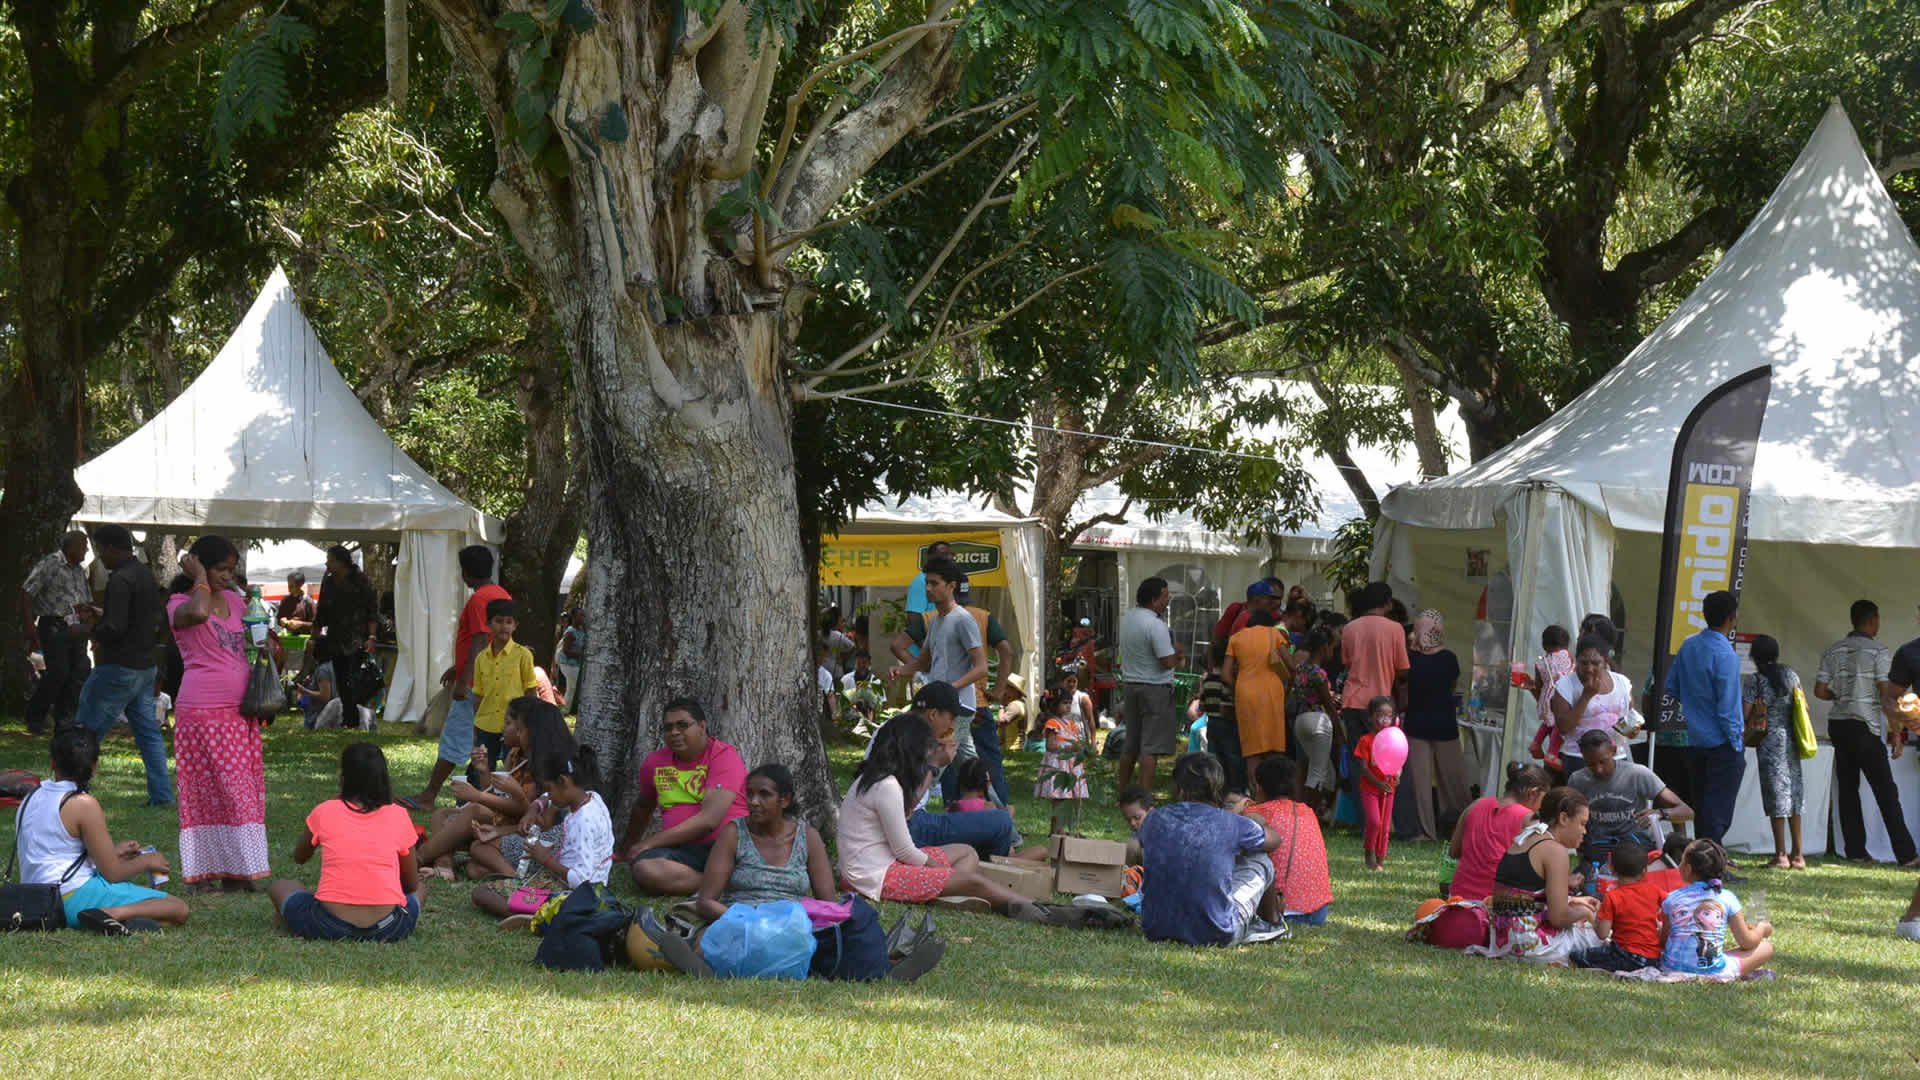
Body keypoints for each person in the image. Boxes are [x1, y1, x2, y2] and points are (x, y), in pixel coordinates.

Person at [835, 712, 1046, 919]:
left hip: (874, 867)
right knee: (972, 881)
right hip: (873, 878)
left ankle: (946, 894)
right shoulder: (886, 785)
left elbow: (905, 816)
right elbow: (905, 851)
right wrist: (942, 871)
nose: (926, 757)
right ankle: (1037, 909)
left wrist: (941, 872)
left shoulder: (876, 779)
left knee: (967, 852)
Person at [168, 535, 270, 892]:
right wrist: (199, 578)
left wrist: (265, 639)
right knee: (207, 792)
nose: (227, 576)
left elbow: (257, 641)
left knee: (242, 790)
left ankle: (240, 871)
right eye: (220, 569)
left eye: (231, 570)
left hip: (240, 711)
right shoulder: (179, 603)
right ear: (199, 564)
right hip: (203, 712)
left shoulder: (236, 601)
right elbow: (198, 614)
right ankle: (207, 873)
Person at [14, 728, 188, 934]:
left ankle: (122, 921)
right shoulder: (83, 803)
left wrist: (114, 853)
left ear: (52, 763)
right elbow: (113, 874)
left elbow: (56, 853)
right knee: (177, 908)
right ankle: (110, 914)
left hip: (35, 899)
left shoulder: (32, 796)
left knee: (150, 906)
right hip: (70, 898)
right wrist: (146, 861)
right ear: (95, 765)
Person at [268, 743, 423, 943]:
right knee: (421, 890)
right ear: (384, 779)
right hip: (389, 926)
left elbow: (300, 857)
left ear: (343, 778)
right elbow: (411, 884)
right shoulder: (399, 815)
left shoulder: (325, 811)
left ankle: (291, 921)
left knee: (282, 886)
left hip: (327, 924)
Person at [417, 696, 575, 880]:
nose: (502, 728)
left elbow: (528, 815)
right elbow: (500, 797)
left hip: (527, 831)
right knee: (443, 815)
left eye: (509, 724)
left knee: (474, 814)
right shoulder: (516, 755)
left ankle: (419, 857)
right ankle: (443, 865)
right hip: (508, 823)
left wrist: (479, 797)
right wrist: (484, 772)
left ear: (532, 732)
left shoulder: (546, 768)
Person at [1137, 752, 1287, 946]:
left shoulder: (1153, 819)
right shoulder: (1230, 822)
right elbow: (1275, 840)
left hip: (1155, 928)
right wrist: (1253, 821)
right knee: (1261, 859)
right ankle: (1273, 922)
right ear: (1217, 787)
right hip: (1216, 932)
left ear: (1178, 787)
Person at [71, 524, 172, 807]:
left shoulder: (120, 579)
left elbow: (115, 628)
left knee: (85, 732)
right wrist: (102, 615)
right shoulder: (144, 574)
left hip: (118, 667)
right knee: (149, 734)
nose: (100, 557)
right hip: (145, 666)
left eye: (100, 551)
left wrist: (85, 630)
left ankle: (74, 790)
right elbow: (139, 618)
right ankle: (162, 795)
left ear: (111, 548)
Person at [402, 545, 510, 810]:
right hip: (496, 681)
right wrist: (458, 667)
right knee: (484, 740)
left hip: (476, 685)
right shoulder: (501, 594)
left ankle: (429, 796)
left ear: (466, 572)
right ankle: (484, 795)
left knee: (455, 738)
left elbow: (480, 640)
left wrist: (464, 680)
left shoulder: (479, 599)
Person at [1820, 601, 1919, 865]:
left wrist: (1839, 695)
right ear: (1873, 620)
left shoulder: (1834, 649)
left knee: (1847, 789)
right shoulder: (1879, 651)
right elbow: (1887, 696)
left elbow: (1819, 690)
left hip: (1838, 723)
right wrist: (1896, 733)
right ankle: (1906, 854)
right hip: (1865, 725)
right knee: (1885, 791)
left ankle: (1855, 851)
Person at [617, 697, 749, 894]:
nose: (674, 732)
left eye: (683, 725)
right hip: (681, 851)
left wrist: (648, 843)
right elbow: (643, 807)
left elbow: (709, 820)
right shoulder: (655, 762)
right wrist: (626, 849)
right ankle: (724, 883)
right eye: (668, 728)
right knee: (645, 868)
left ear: (702, 726)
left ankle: (719, 882)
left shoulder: (724, 756)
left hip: (725, 847)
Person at [474, 746, 613, 930]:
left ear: (563, 781)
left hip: (575, 894)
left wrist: (544, 858)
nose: (549, 796)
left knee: (483, 893)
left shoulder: (582, 822)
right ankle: (543, 912)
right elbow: (548, 797)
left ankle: (540, 917)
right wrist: (535, 808)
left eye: (549, 788)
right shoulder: (591, 798)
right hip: (590, 889)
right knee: (477, 872)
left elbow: (581, 880)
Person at [1416, 764, 1551, 949]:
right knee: (1555, 907)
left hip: (1458, 900)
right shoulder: (1529, 820)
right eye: (1542, 801)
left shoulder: (1475, 805)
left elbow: (1454, 851)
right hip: (1497, 906)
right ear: (1532, 793)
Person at [886, 558, 988, 802]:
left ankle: (906, 808)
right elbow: (924, 663)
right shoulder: (935, 621)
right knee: (972, 772)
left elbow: (981, 667)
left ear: (951, 585)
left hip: (956, 708)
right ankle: (999, 816)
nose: (928, 589)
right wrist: (901, 670)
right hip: (943, 707)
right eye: (927, 583)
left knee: (932, 766)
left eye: (934, 583)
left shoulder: (963, 619)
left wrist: (950, 689)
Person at [1468, 787, 1601, 962]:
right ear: (1563, 818)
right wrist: (1586, 913)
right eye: (1582, 824)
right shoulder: (1555, 851)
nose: (1584, 831)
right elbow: (1558, 918)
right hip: (1531, 945)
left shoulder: (1526, 838)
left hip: (1503, 940)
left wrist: (1572, 901)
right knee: (1602, 938)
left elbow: (1525, 896)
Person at [690, 764, 838, 918]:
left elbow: (829, 906)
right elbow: (706, 902)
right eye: (749, 794)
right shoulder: (734, 833)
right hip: (740, 923)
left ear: (785, 800)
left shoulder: (807, 837)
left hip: (792, 926)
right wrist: (752, 922)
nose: (753, 801)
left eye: (764, 794)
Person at [1664, 590, 1745, 849]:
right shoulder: (1726, 655)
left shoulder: (1688, 646)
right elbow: (1728, 709)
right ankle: (1711, 857)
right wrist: (1736, 742)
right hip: (1722, 742)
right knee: (1718, 809)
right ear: (1732, 618)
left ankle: (1704, 855)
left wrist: (1695, 705)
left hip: (1695, 739)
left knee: (1702, 805)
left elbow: (1671, 687)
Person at [1565, 728, 1691, 890]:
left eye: (1603, 761)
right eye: (1591, 764)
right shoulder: (1577, 780)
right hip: (1598, 850)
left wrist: (1660, 813)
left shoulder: (1637, 774)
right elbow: (1569, 821)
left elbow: (1686, 811)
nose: (1598, 769)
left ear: (1614, 751)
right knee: (1585, 885)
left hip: (1635, 849)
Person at [1658, 838, 1774, 978]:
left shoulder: (1672, 898)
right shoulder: (1727, 898)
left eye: (1681, 861)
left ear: (1688, 869)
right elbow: (1747, 942)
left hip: (1671, 968)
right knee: (1766, 947)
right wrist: (1762, 928)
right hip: (1714, 973)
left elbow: (1664, 942)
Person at [1242, 756, 1332, 927]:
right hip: (1318, 913)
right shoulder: (1308, 812)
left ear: (1259, 787)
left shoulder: (1257, 813)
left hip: (1279, 910)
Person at [1741, 635, 1806, 870]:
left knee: (1775, 796)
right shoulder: (1791, 675)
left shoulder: (1755, 680)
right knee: (1794, 794)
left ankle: (1780, 855)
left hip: (1768, 740)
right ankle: (1798, 855)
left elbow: (1745, 712)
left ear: (1754, 656)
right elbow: (1803, 705)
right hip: (1792, 739)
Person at [1401, 609, 1466, 842]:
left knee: (1421, 783)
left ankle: (1426, 831)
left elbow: (1404, 687)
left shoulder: (1410, 659)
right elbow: (1451, 686)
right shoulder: (1449, 658)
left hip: (1417, 724)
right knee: (1454, 781)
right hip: (1444, 723)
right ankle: (1462, 827)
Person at [21, 530, 93, 734]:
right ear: (71, 547)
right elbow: (27, 592)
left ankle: (65, 720)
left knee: (78, 671)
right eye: (83, 545)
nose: (87, 550)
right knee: (58, 671)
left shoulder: (79, 570)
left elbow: (85, 599)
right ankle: (35, 716)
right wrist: (29, 626)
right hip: (54, 623)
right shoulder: (51, 563)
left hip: (76, 625)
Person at [1116, 576, 1183, 795]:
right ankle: (1143, 796)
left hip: (1131, 685)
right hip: (1155, 689)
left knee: (1131, 744)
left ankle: (1122, 793)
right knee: (1150, 748)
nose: (1167, 601)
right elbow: (1166, 661)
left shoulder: (1128, 618)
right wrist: (1178, 655)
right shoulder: (1156, 625)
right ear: (1154, 600)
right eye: (1165, 596)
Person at [1337, 583, 1408, 785]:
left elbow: (1347, 664)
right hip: (1380, 704)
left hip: (1352, 701)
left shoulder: (1350, 628)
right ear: (1388, 602)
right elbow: (1403, 668)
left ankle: (1360, 803)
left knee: (1357, 760)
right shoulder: (1395, 629)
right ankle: (1378, 802)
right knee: (1380, 759)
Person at [1570, 840, 1666, 972]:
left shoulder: (1613, 897)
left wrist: (1590, 916)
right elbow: (1672, 903)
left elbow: (1603, 934)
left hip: (1624, 956)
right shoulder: (1655, 891)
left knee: (1577, 956)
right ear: (1644, 871)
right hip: (1653, 958)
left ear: (1612, 869)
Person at [469, 598, 540, 773]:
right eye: (499, 621)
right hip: (486, 725)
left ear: (515, 626)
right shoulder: (481, 658)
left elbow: (531, 691)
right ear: (488, 624)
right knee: (481, 769)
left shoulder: (523, 655)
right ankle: (482, 791)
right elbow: (478, 695)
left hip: (515, 725)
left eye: (509, 622)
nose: (504, 626)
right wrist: (475, 727)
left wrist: (529, 723)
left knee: (515, 769)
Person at [314, 546, 379, 730]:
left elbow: (372, 611)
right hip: (335, 637)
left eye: (330, 560)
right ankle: (348, 720)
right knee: (342, 679)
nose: (327, 563)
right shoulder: (328, 581)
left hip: (357, 637)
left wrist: (372, 636)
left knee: (354, 679)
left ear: (341, 562)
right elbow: (322, 610)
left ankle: (355, 718)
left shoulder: (361, 580)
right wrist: (315, 634)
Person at [1224, 608, 1292, 778]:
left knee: (1252, 751)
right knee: (1274, 747)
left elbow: (1225, 674)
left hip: (1245, 693)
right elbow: (1291, 666)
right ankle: (1273, 789)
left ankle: (1255, 790)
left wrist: (1237, 688)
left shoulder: (1236, 638)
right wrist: (1288, 687)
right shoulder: (1274, 634)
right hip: (1273, 693)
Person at [1550, 633, 1635, 761]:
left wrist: (1627, 730)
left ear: (1605, 661)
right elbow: (1563, 728)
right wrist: (1586, 697)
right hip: (1579, 757)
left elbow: (1629, 717)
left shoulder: (1622, 683)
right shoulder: (1565, 685)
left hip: (1616, 756)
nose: (1589, 668)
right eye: (1584, 663)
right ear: (1576, 660)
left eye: (1596, 663)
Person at [1290, 627, 1341, 820]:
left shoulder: (1300, 669)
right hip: (1318, 721)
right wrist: (1339, 732)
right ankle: (1307, 817)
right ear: (1324, 647)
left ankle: (1316, 812)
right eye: (1331, 647)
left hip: (1300, 721)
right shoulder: (1319, 673)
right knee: (1317, 773)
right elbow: (1329, 705)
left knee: (1327, 774)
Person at [1353, 697, 1402, 871]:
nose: (1384, 719)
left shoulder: (1394, 739)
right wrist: (1378, 783)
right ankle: (1369, 854)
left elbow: (1399, 760)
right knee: (1374, 822)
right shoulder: (1366, 740)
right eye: (1380, 715)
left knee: (1385, 826)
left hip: (1388, 789)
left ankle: (1380, 860)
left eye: (1389, 715)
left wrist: (1398, 774)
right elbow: (1364, 768)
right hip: (1370, 788)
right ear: (1371, 717)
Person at [1034, 689, 1091, 825]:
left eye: (1070, 703)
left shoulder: (1070, 724)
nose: (1068, 706)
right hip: (1059, 765)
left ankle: (1066, 828)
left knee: (1070, 798)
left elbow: (1076, 741)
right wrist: (1069, 748)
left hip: (1071, 765)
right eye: (1065, 703)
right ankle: (1056, 829)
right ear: (1054, 704)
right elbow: (1050, 746)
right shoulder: (1053, 723)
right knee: (1059, 798)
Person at [1527, 625, 1576, 780]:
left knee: (1548, 723)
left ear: (1544, 645)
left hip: (1546, 697)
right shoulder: (1567, 655)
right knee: (1559, 725)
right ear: (1566, 644)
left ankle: (1536, 743)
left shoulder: (1540, 663)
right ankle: (1552, 754)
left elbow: (1538, 686)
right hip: (1560, 695)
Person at [1194, 639, 1241, 794]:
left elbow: (1202, 706)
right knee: (1232, 755)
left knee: (1214, 757)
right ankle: (1235, 788)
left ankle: (1216, 788)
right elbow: (1226, 707)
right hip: (1226, 722)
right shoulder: (1226, 681)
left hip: (1211, 722)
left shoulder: (1207, 680)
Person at [555, 608, 586, 710]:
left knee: (573, 687)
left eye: (583, 615)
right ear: (574, 617)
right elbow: (566, 651)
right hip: (568, 664)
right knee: (572, 687)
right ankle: (566, 708)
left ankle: (569, 707)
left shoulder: (582, 631)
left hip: (576, 664)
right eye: (580, 615)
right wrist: (581, 655)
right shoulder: (570, 632)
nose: (583, 618)